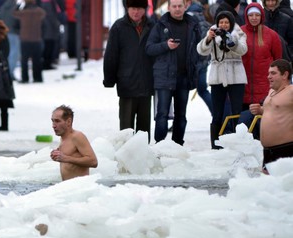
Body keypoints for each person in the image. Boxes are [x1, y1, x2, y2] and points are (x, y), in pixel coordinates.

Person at [146, 0, 202, 146]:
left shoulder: (192, 25)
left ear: (185, 7)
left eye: (180, 6)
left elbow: (199, 47)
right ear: (169, 8)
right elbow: (149, 48)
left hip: (184, 77)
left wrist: (196, 65)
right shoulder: (160, 25)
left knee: (181, 115)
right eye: (174, 6)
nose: (177, 9)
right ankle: (160, 145)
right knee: (162, 114)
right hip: (164, 77)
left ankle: (177, 145)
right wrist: (166, 45)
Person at [103, 0, 155, 140]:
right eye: (132, 8)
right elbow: (111, 55)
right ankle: (126, 156)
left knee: (144, 129)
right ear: (127, 8)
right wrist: (109, 79)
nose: (135, 12)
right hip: (126, 83)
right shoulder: (119, 27)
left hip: (146, 82)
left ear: (145, 9)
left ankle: (143, 155)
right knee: (126, 128)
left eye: (139, 8)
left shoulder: (152, 26)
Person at [197, 11, 247, 149]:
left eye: (226, 22)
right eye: (221, 22)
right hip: (217, 76)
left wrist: (232, 40)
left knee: (237, 111)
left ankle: (238, 143)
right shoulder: (213, 32)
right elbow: (201, 50)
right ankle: (215, 144)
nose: (223, 25)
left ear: (231, 23)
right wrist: (208, 38)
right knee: (217, 113)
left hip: (236, 76)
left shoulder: (238, 32)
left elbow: (243, 50)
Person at [247, 59, 293, 173]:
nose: (268, 76)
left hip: (286, 149)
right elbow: (275, 111)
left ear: (285, 75)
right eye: (268, 73)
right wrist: (260, 110)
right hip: (268, 150)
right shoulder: (271, 91)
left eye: (273, 73)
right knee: (269, 188)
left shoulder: (291, 91)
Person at [241, 3, 283, 111]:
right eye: (251, 15)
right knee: (245, 122)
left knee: (262, 123)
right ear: (246, 16)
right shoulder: (240, 33)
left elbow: (278, 60)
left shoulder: (271, 35)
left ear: (261, 16)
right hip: (243, 86)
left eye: (257, 15)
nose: (254, 18)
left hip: (265, 87)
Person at [50, 105, 98, 181]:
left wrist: (66, 158)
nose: (53, 125)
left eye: (57, 121)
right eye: (52, 121)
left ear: (68, 121)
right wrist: (57, 156)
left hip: (81, 188)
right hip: (68, 188)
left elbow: (93, 162)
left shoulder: (78, 136)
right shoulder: (63, 138)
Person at [12, 0, 46, 83]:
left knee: (24, 60)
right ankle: (38, 78)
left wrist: (19, 5)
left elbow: (13, 13)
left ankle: (25, 78)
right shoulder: (39, 12)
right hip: (36, 38)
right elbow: (44, 14)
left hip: (25, 39)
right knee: (37, 60)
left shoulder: (23, 13)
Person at [0, 0, 20, 81]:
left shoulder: (2, 7)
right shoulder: (15, 8)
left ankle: (6, 72)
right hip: (14, 32)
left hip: (4, 32)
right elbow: (17, 20)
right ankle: (10, 73)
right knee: (14, 53)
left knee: (7, 53)